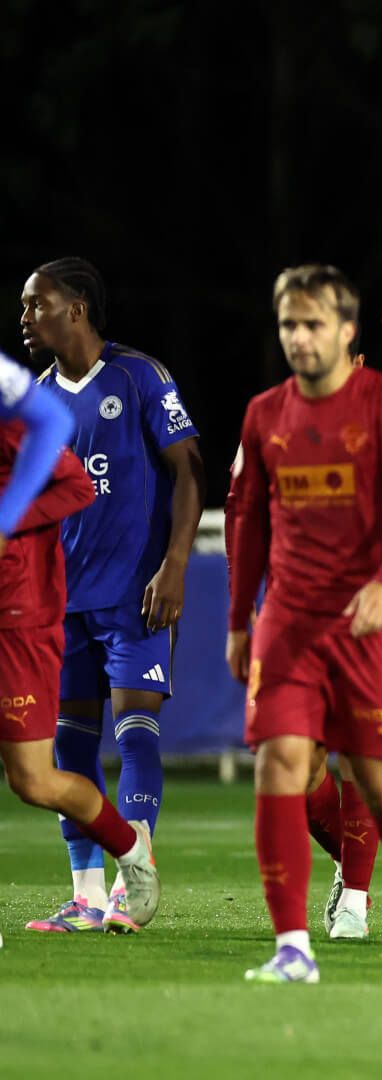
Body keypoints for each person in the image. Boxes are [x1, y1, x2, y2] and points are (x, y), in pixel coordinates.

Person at [225, 264, 382, 982]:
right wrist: (237, 619)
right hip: (289, 622)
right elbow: (249, 520)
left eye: (313, 324)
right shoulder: (264, 414)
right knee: (279, 763)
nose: (299, 337)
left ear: (348, 332)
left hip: (370, 624)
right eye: (290, 323)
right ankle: (292, 948)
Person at [17, 258, 202, 933]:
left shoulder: (140, 377)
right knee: (69, 744)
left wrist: (175, 563)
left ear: (78, 308)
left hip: (136, 594)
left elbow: (189, 471)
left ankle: (135, 876)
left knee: (135, 726)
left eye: (37, 303)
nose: (25, 317)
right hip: (60, 600)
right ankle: (87, 895)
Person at [0, 348, 159, 933]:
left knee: (34, 779)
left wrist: (6, 520)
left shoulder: (13, 400)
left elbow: (74, 486)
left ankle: (132, 853)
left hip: (20, 612)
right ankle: (87, 892)